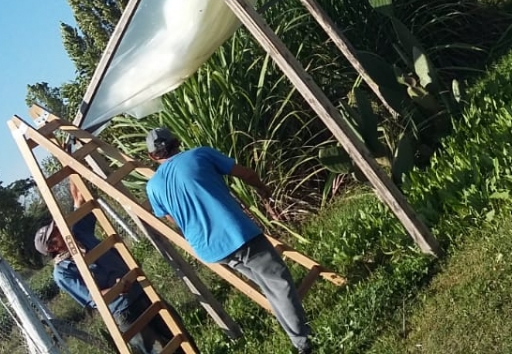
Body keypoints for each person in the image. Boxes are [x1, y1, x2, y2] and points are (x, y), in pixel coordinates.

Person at [144, 127, 314, 354]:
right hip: (237, 234)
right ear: (177, 142)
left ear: (152, 156)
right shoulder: (199, 154)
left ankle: (295, 335)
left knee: (268, 286)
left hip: (211, 250)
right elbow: (247, 174)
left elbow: (172, 219)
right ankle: (303, 343)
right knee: (279, 284)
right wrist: (264, 189)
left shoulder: (152, 186)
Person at [36, 183, 172, 354]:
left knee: (178, 333)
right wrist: (116, 289)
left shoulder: (79, 233)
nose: (58, 229)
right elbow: (92, 298)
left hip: (140, 291)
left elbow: (80, 199)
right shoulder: (63, 272)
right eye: (54, 232)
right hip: (124, 311)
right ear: (52, 247)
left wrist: (69, 166)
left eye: (55, 227)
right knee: (158, 350)